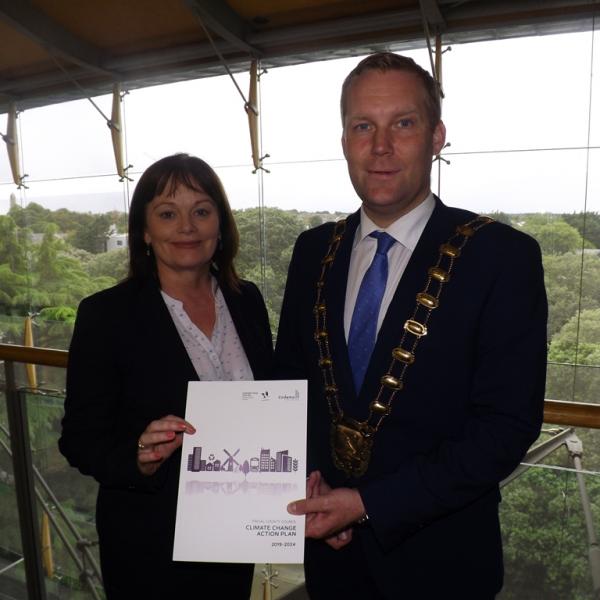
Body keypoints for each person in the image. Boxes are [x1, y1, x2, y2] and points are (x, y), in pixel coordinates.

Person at [278, 53, 547, 599]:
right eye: (362, 126)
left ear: (436, 136)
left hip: (444, 565)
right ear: (344, 140)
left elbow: (506, 427)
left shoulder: (501, 257)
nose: (380, 146)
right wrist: (303, 482)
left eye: (403, 123)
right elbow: (291, 391)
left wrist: (369, 505)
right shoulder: (312, 252)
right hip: (331, 563)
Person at [59, 153, 273, 598]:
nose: (187, 227)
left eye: (201, 211)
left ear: (220, 223)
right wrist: (137, 454)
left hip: (236, 532)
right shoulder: (105, 316)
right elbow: (79, 439)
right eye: (167, 213)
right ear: (144, 231)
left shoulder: (247, 300)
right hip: (151, 541)